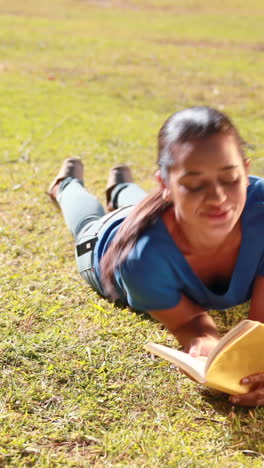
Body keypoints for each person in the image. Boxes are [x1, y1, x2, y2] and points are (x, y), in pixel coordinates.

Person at [48, 106, 264, 406]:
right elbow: (191, 325)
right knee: (86, 223)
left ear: (245, 169)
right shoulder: (140, 259)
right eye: (193, 183)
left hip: (166, 214)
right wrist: (207, 349)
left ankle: (122, 186)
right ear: (166, 185)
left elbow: (260, 329)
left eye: (229, 178)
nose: (218, 197)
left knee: (145, 206)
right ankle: (65, 185)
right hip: (104, 241)